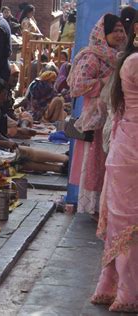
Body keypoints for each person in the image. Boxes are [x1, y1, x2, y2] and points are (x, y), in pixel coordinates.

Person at [91, 15, 138, 313]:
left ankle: (113, 289)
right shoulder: (135, 63)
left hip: (125, 146)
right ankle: (126, 293)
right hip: (131, 151)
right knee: (128, 225)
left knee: (124, 224)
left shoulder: (127, 61)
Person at [67, 14, 126, 216]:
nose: (120, 35)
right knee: (94, 163)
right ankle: (93, 207)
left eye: (121, 30)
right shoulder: (92, 56)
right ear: (104, 33)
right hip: (96, 118)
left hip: (113, 117)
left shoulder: (120, 57)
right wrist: (104, 82)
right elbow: (77, 86)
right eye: (115, 31)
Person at [0, 78, 68, 173]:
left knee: (22, 152)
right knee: (19, 157)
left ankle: (64, 161)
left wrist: (8, 142)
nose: (5, 98)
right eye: (4, 95)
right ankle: (61, 167)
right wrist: (6, 143)